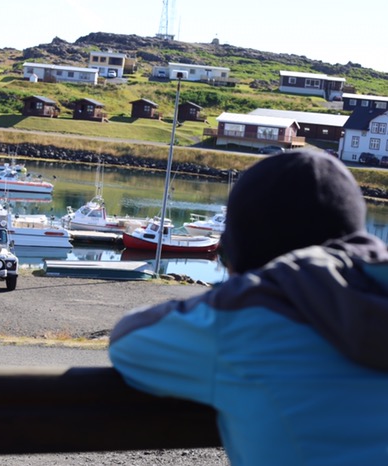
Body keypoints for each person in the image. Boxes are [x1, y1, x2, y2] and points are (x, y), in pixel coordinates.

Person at [109, 149, 388, 466]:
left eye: (225, 255)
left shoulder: (246, 320)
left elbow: (128, 340)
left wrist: (237, 292)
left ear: (244, 258)